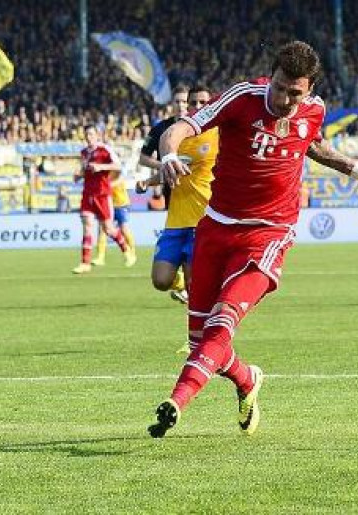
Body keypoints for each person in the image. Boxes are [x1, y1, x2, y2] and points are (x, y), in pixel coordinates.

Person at [147, 41, 358, 438]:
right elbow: (180, 128)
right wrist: (170, 155)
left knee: (223, 322)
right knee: (200, 341)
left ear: (309, 89)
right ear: (271, 76)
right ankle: (247, 380)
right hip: (215, 228)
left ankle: (176, 401)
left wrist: (348, 165)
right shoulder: (242, 97)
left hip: (269, 233)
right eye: (278, 87)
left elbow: (310, 143)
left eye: (294, 93)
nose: (283, 98)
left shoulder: (315, 110)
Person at [138, 85, 218, 306]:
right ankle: (181, 288)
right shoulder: (174, 136)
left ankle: (195, 339)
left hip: (201, 219)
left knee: (197, 288)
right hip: (175, 220)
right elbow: (170, 166)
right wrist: (148, 181)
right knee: (161, 280)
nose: (196, 107)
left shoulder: (217, 134)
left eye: (203, 102)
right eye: (193, 103)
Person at [71, 125, 132, 274]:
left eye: (91, 134)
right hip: (87, 194)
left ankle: (126, 250)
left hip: (102, 194)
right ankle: (85, 263)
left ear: (97, 135)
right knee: (87, 226)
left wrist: (101, 167)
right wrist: (78, 175)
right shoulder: (84, 153)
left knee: (108, 229)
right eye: (86, 134)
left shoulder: (105, 149)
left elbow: (118, 166)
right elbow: (83, 171)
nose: (88, 137)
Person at [92, 166, 136, 267]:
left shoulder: (117, 171)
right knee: (102, 229)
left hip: (121, 204)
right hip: (108, 204)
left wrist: (104, 185)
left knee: (123, 229)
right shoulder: (104, 172)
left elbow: (115, 182)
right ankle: (100, 257)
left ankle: (132, 253)